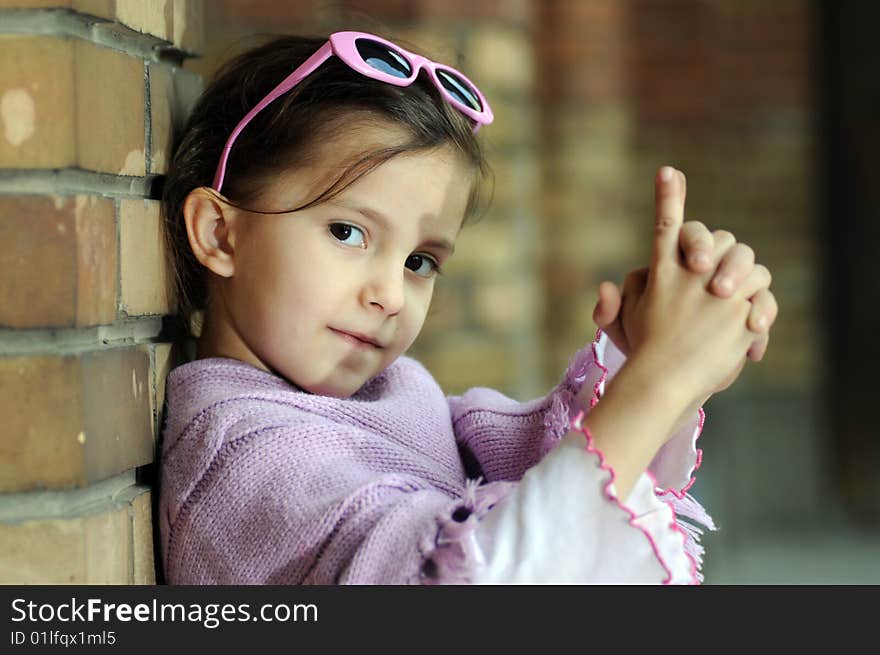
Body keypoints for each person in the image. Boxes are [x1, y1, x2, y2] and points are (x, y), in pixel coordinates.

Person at [157, 31, 778, 584]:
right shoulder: (238, 458)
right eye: (348, 233)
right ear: (220, 234)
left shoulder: (390, 395)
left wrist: (656, 356)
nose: (391, 295)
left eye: (420, 261)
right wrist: (660, 382)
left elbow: (532, 466)